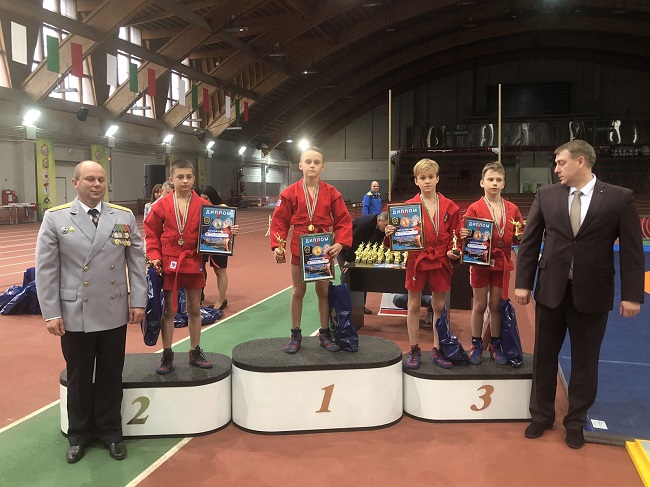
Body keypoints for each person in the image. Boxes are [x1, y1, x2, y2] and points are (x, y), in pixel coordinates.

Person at [515, 140, 644, 449]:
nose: (556, 168)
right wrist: (523, 283)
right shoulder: (546, 195)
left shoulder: (619, 198)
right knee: (544, 356)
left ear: (581, 161)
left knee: (586, 361)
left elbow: (632, 250)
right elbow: (530, 242)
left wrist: (632, 295)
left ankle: (575, 422)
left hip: (593, 293)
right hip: (551, 290)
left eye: (561, 162)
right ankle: (541, 415)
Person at [35, 160, 147, 464]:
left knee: (111, 374)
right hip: (75, 312)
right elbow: (46, 270)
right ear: (75, 183)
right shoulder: (56, 218)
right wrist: (51, 313)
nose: (96, 184)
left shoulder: (122, 216)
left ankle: (111, 432)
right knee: (79, 377)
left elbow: (136, 261)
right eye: (89, 179)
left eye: (100, 179)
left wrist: (138, 301)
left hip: (113, 308)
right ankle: (79, 435)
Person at [270, 146, 353, 353]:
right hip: (299, 248)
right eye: (308, 162)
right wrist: (278, 246)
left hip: (323, 249)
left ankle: (324, 333)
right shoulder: (289, 193)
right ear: (300, 165)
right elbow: (279, 222)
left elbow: (343, 220)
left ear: (323, 166)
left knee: (323, 292)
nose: (312, 166)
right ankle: (295, 334)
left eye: (316, 162)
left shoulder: (332, 193)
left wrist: (340, 243)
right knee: (298, 291)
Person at [145, 160, 213, 374]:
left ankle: (195, 351)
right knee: (169, 311)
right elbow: (151, 234)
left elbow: (215, 232)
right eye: (180, 177)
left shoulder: (203, 205)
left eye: (189, 177)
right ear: (171, 179)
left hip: (193, 261)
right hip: (170, 264)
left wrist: (228, 232)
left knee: (194, 309)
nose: (185, 181)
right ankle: (167, 354)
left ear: (194, 179)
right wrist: (155, 256)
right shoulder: (162, 205)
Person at [459, 162, 524, 365]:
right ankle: (476, 344)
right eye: (490, 179)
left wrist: (520, 236)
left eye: (498, 180)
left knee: (496, 305)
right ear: (482, 183)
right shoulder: (474, 208)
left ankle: (495, 344)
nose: (494, 183)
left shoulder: (512, 209)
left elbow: (519, 233)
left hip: (501, 262)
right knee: (479, 305)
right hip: (480, 262)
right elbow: (465, 232)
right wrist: (463, 233)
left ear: (504, 183)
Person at [399, 158, 461, 369]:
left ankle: (438, 348)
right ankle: (414, 348)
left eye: (431, 177)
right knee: (413, 305)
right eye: (423, 177)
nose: (427, 181)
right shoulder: (408, 207)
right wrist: (391, 234)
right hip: (417, 259)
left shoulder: (450, 207)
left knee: (439, 306)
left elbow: (455, 236)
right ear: (416, 181)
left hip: (440, 259)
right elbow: (401, 237)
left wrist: (454, 250)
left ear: (437, 178)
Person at [338, 211, 389, 314]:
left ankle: (360, 306)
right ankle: (344, 307)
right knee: (347, 275)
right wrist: (348, 260)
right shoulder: (364, 223)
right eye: (385, 225)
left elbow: (378, 242)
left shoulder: (381, 228)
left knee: (363, 277)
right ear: (379, 220)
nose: (386, 228)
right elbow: (353, 241)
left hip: (361, 252)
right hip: (346, 250)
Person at [199, 185, 240, 310]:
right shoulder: (201, 208)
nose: (204, 201)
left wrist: (233, 230)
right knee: (201, 269)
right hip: (204, 242)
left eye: (206, 198)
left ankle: (222, 299)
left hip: (220, 244)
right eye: (202, 198)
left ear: (212, 197)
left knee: (220, 271)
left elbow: (230, 227)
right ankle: (200, 293)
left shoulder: (224, 209)